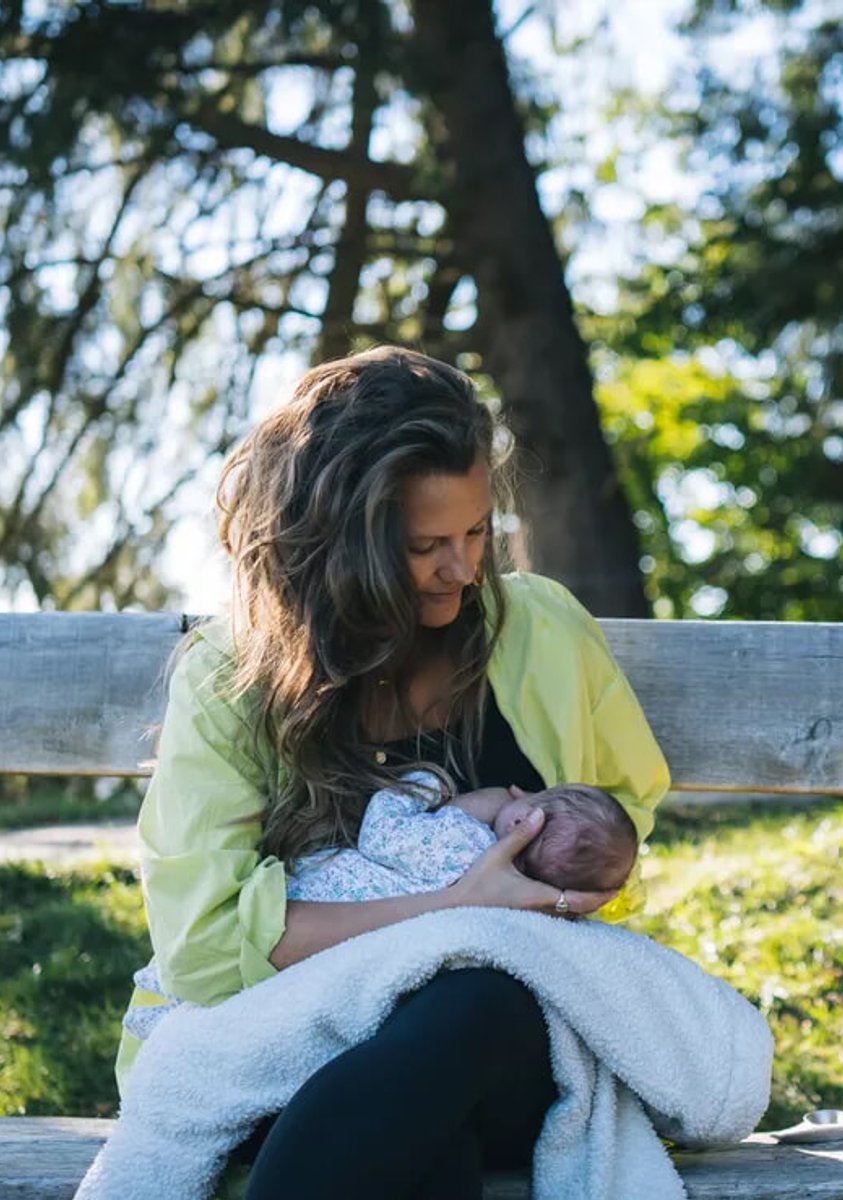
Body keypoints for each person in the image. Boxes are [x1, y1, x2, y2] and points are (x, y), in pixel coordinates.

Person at [118, 346, 670, 1199]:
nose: (462, 569)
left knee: (472, 1012)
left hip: (495, 1038)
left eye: (478, 533)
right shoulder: (234, 675)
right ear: (341, 547)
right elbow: (201, 945)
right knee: (414, 1146)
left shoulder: (545, 631)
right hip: (290, 1042)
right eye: (423, 546)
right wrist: (452, 910)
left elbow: (616, 822)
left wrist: (564, 882)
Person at [287, 774, 640, 902]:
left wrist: (425, 783)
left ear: (522, 820)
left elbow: (379, 836)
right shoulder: (515, 904)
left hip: (309, 894)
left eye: (536, 794)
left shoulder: (461, 839)